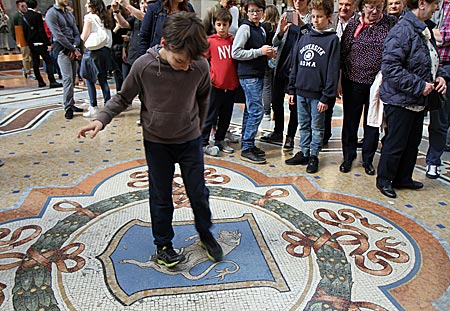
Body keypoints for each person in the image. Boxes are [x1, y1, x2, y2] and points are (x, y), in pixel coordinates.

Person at [77, 12, 223, 268]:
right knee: (161, 195)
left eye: (191, 61)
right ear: (165, 44)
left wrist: (199, 128)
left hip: (189, 140)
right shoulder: (144, 66)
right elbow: (123, 98)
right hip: (157, 143)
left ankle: (205, 233)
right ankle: (163, 244)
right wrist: (101, 119)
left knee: (198, 192)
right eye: (180, 60)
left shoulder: (198, 65)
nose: (186, 66)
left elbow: (203, 96)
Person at [376, 0, 448, 198]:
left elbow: (429, 59)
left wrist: (440, 76)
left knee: (412, 142)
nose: (437, 9)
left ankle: (403, 178)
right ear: (422, 3)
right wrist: (420, 85)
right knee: (396, 143)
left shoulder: (424, 29)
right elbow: (390, 68)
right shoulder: (402, 30)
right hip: (401, 99)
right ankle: (384, 180)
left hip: (417, 100)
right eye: (435, 4)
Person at [339, 0, 396, 175]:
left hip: (377, 83)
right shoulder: (354, 24)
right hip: (353, 80)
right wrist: (339, 80)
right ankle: (348, 157)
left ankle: (368, 160)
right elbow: (343, 53)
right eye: (370, 7)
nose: (374, 11)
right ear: (363, 7)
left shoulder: (390, 23)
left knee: (372, 122)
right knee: (350, 120)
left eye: (379, 7)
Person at [286, 0, 340, 173]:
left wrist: (327, 96)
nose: (316, 20)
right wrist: (292, 89)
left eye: (320, 17)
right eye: (314, 16)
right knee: (303, 124)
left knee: (317, 127)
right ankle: (304, 151)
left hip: (318, 95)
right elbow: (295, 64)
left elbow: (332, 70)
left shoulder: (332, 40)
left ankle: (314, 155)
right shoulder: (304, 37)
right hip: (301, 91)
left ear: (328, 17)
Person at [261, 0, 311, 149]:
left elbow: (311, 38)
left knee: (293, 105)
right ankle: (277, 132)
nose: (297, 2)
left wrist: (302, 24)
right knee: (276, 101)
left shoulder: (310, 17)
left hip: (298, 68)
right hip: (282, 64)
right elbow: (276, 42)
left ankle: (290, 136)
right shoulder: (286, 15)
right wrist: (281, 30)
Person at [232, 0, 276, 164]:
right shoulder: (245, 28)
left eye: (258, 11)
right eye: (252, 11)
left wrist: (268, 53)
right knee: (257, 110)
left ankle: (247, 144)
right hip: (248, 75)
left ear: (263, 12)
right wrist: (259, 51)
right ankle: (247, 147)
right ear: (246, 12)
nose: (255, 14)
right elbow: (235, 52)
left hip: (257, 73)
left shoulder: (261, 29)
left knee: (251, 110)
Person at [202, 8, 239, 156]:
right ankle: (203, 142)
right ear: (214, 25)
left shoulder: (233, 40)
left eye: (224, 24)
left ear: (229, 24)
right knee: (210, 114)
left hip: (231, 85)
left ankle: (220, 139)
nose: (222, 28)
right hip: (215, 85)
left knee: (226, 115)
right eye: (219, 24)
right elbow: (203, 60)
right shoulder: (210, 41)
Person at [45, 0, 83, 120]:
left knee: (72, 77)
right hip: (62, 49)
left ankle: (71, 103)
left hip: (72, 47)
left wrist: (75, 47)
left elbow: (76, 32)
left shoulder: (68, 13)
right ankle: (67, 106)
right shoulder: (51, 13)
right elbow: (58, 35)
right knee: (67, 79)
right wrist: (72, 49)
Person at [424, 0, 450, 178]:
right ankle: (432, 161)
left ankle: (434, 160)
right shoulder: (437, 4)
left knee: (441, 119)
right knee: (437, 118)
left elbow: (445, 36)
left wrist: (430, 34)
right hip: (434, 66)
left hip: (446, 65)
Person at [80, 0, 113, 118]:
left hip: (92, 52)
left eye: (87, 3)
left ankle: (93, 106)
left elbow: (84, 36)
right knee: (103, 79)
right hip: (104, 51)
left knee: (88, 78)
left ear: (92, 5)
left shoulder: (89, 18)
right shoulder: (105, 17)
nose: (85, 5)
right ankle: (108, 105)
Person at [22, 0, 62, 89]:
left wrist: (28, 42)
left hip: (31, 43)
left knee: (35, 63)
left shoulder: (24, 16)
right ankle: (52, 80)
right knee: (48, 61)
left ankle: (40, 81)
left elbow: (24, 32)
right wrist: (47, 43)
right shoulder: (37, 15)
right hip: (40, 42)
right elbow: (41, 30)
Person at [261, 4, 280, 121]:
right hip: (277, 59)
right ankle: (275, 110)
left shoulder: (264, 26)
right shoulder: (278, 27)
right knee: (275, 86)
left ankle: (266, 112)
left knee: (266, 86)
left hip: (266, 59)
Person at [10, 0, 33, 79]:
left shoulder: (29, 14)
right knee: (26, 56)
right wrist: (16, 39)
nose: (24, 8)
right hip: (22, 38)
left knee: (31, 56)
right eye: (22, 6)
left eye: (25, 6)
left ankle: (26, 68)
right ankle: (28, 72)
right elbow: (12, 28)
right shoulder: (16, 16)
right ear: (18, 7)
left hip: (30, 37)